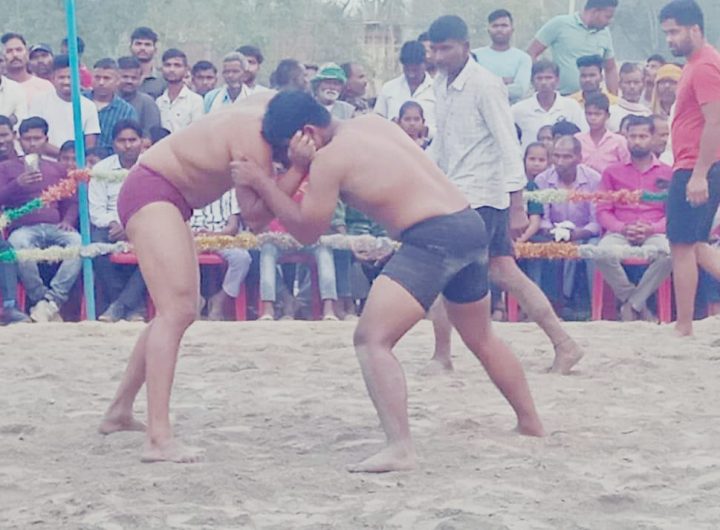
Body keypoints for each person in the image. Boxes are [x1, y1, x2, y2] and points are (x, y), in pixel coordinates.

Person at [234, 90, 544, 472]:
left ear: (307, 133)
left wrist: (266, 181)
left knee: (371, 339)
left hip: (432, 236)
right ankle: (531, 422)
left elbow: (307, 231)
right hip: (467, 223)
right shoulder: (372, 122)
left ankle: (400, 447)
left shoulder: (329, 159)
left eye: (285, 150)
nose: (284, 159)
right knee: (481, 338)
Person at [97, 91, 313, 463]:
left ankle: (119, 410)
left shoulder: (262, 107)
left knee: (180, 309)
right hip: (153, 190)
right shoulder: (254, 139)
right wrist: (297, 169)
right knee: (176, 312)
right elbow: (256, 218)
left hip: (166, 194)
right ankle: (158, 438)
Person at [427, 15, 583, 373]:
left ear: (465, 47)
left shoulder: (486, 85)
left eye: (446, 48)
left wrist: (517, 205)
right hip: (456, 191)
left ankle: (441, 355)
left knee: (443, 270)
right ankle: (565, 344)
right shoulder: (439, 83)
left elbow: (509, 145)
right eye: (435, 49)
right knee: (505, 272)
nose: (439, 56)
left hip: (482, 195)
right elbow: (443, 143)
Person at [659, 0, 720, 336]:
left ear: (694, 29)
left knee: (682, 246)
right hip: (694, 164)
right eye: (667, 33)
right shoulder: (696, 64)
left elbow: (715, 121)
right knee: (694, 245)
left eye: (674, 31)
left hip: (696, 166)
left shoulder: (706, 65)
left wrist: (699, 174)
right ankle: (683, 325)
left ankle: (683, 326)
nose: (670, 39)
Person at [0, 117, 81, 322]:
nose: (33, 143)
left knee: (78, 243)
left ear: (46, 139)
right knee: (17, 245)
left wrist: (68, 221)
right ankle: (40, 299)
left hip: (56, 226)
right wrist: (17, 184)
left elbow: (72, 200)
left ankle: (52, 301)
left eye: (37, 138)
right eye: (28, 139)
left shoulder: (57, 168)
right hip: (23, 228)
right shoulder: (7, 167)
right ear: (19, 139)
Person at [595, 115, 672, 321]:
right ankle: (637, 303)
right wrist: (622, 227)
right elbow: (602, 210)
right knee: (601, 254)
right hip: (620, 231)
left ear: (653, 138)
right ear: (626, 138)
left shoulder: (668, 173)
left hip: (654, 231)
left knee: (669, 254)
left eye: (643, 136)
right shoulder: (612, 172)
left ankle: (631, 305)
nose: (637, 141)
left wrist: (653, 228)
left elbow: (672, 213)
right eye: (633, 136)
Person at [536, 136, 601, 315]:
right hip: (553, 233)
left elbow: (597, 221)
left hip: (587, 234)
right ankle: (558, 303)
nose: (560, 162)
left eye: (566, 157)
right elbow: (543, 218)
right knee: (551, 249)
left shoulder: (594, 179)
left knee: (593, 250)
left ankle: (592, 307)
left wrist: (578, 234)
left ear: (579, 158)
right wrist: (554, 231)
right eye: (556, 156)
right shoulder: (543, 179)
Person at [90, 120, 147, 322]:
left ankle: (119, 306)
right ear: (113, 143)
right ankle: (131, 306)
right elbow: (96, 211)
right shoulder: (101, 169)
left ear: (142, 141)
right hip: (111, 226)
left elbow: (157, 203)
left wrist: (131, 226)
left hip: (145, 224)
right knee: (96, 248)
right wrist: (117, 224)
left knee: (158, 251)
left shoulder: (152, 165)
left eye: (133, 140)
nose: (128, 145)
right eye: (122, 141)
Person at [528, 0, 619, 96]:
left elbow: (610, 68)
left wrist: (614, 99)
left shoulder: (604, 33)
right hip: (562, 97)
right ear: (595, 11)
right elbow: (531, 53)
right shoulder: (560, 24)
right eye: (607, 17)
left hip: (592, 99)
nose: (610, 22)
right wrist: (540, 84)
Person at [190, 189, 252, 321]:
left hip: (220, 238)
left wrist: (213, 235)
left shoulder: (229, 192)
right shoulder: (188, 189)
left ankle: (220, 300)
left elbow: (232, 227)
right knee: (174, 257)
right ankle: (194, 299)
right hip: (191, 238)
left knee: (242, 258)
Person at [29, 54, 100, 158]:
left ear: (79, 78)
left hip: (77, 163)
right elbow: (35, 138)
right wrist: (65, 156)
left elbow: (90, 143)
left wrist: (73, 159)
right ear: (52, 78)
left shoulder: (88, 106)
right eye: (61, 77)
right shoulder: (39, 101)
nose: (66, 82)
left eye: (70, 77)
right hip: (46, 162)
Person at [512, 60, 586, 149]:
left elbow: (582, 136)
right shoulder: (518, 110)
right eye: (539, 78)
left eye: (548, 78)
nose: (544, 82)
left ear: (557, 80)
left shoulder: (571, 106)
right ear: (532, 81)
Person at [0, 114, 30, 325]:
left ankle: (10, 306)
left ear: (13, 135)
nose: (1, 140)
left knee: (6, 249)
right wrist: (16, 184)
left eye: (4, 135)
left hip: (15, 224)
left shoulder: (24, 163)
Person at [374, 41, 435, 135]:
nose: (411, 74)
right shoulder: (389, 88)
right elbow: (377, 122)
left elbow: (446, 129)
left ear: (425, 64)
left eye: (415, 69)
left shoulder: (437, 90)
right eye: (407, 69)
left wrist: (426, 131)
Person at [472, 9, 531, 104]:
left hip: (511, 110)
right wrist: (503, 81)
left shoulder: (523, 58)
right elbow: (471, 88)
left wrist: (486, 84)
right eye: (495, 26)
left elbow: (519, 91)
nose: (499, 29)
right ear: (488, 30)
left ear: (512, 30)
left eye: (504, 25)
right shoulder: (474, 55)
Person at [87, 58, 138, 152]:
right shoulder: (79, 103)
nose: (101, 82)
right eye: (97, 77)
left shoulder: (126, 111)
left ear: (117, 81)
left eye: (106, 78)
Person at [576, 92, 629, 173]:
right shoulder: (578, 140)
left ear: (607, 116)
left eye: (597, 114)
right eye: (589, 114)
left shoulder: (619, 142)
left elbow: (627, 167)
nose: (593, 118)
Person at [156, 49, 204, 133]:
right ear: (162, 69)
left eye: (177, 65)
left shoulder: (195, 101)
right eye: (167, 65)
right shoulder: (159, 102)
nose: (172, 69)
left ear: (186, 69)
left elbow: (197, 132)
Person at [1, 32, 53, 105]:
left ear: (27, 53)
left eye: (19, 50)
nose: (15, 55)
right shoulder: (2, 86)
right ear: (2, 56)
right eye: (9, 51)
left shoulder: (45, 87)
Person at [117, 56, 162, 137]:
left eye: (134, 78)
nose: (129, 81)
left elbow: (151, 135)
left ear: (140, 79)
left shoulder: (147, 103)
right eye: (125, 77)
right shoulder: (108, 99)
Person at [608, 62, 651, 132]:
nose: (632, 87)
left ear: (643, 85)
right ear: (620, 85)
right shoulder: (609, 113)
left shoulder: (648, 114)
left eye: (636, 82)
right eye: (627, 82)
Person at [130, 27, 166, 99]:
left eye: (147, 44)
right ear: (130, 47)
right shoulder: (119, 77)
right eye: (138, 44)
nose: (142, 48)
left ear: (155, 50)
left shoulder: (163, 80)